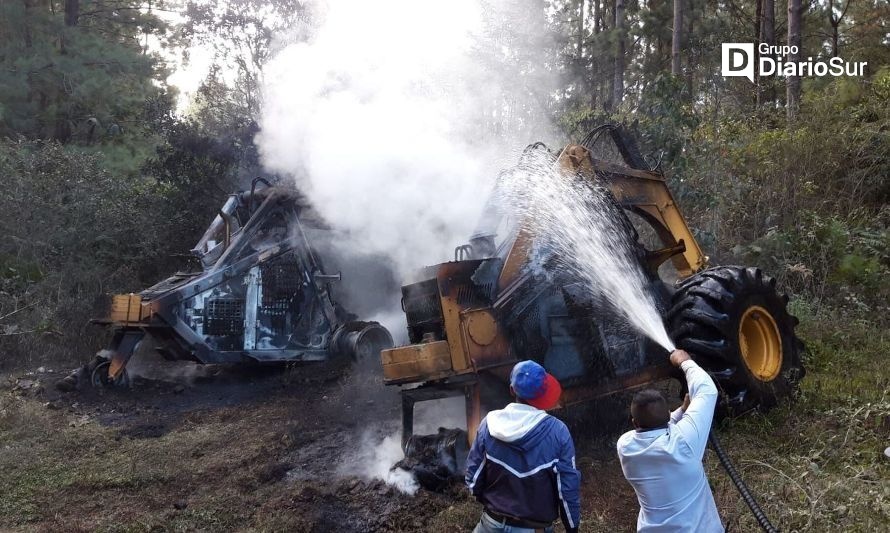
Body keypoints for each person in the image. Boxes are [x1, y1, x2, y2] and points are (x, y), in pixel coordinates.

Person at [465, 360, 581, 533]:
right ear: (545, 393)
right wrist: (572, 528)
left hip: (491, 523)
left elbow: (473, 480)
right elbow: (567, 489)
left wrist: (496, 503)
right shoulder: (558, 432)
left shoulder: (489, 424)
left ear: (512, 390)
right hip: (533, 528)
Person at [617, 349, 724, 532]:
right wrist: (685, 361)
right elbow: (707, 390)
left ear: (634, 423)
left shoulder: (625, 446)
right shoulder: (683, 441)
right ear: (667, 415)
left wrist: (682, 411)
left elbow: (658, 427)